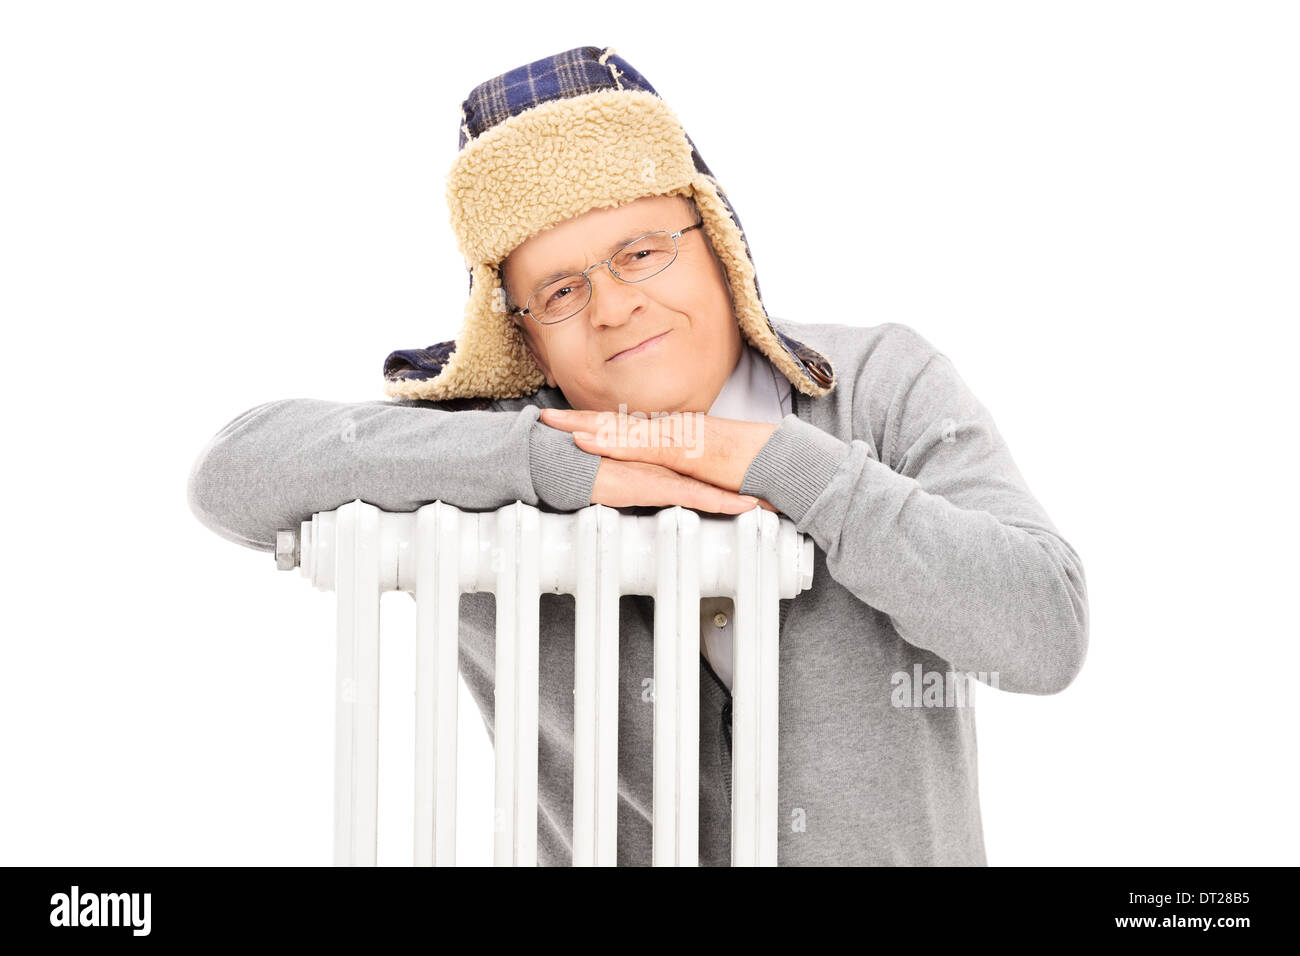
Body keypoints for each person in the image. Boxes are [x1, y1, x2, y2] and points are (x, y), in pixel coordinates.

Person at [187, 45, 1089, 865]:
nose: (612, 307)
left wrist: (785, 466)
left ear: (719, 248)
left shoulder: (880, 383)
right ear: (529, 339)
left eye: (642, 251)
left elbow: (1044, 637)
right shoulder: (480, 451)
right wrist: (548, 464)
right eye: (561, 289)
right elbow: (232, 475)